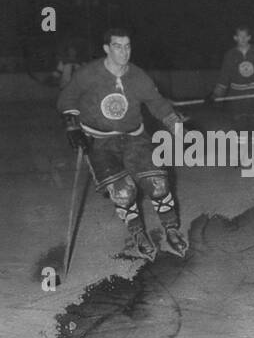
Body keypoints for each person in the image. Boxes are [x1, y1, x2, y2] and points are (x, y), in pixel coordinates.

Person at [57, 28, 188, 260]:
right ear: (107, 48)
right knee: (124, 192)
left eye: (127, 46)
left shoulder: (138, 76)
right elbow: (67, 98)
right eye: (118, 46)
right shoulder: (89, 74)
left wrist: (177, 126)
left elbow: (157, 104)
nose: (124, 51)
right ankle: (138, 233)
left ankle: (171, 228)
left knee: (158, 184)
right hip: (99, 142)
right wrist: (72, 126)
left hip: (134, 137)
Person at [212, 25, 254, 126]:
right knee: (240, 127)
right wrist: (215, 95)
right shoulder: (230, 55)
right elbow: (224, 77)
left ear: (249, 37)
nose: (242, 39)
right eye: (240, 36)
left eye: (245, 36)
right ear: (235, 38)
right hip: (237, 97)